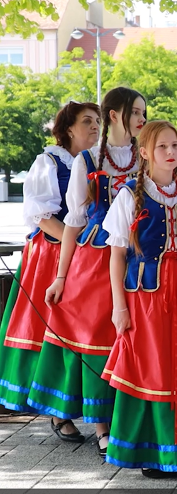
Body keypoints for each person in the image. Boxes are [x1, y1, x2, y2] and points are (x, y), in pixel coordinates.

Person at [30, 88, 145, 458]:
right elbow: (75, 222)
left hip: (140, 254)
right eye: (136, 112)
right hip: (95, 257)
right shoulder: (87, 160)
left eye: (145, 112)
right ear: (115, 115)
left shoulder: (148, 152)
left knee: (135, 336)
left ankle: (133, 417)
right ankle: (102, 426)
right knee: (97, 337)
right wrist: (61, 276)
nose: (142, 119)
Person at [102, 120, 177, 477]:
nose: (172, 153)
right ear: (146, 153)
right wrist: (119, 307)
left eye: (176, 146)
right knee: (152, 368)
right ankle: (151, 454)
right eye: (163, 147)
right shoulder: (127, 194)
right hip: (145, 295)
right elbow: (117, 255)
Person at [0, 101, 100, 444]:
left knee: (79, 332)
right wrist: (80, 243)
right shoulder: (49, 161)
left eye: (98, 121)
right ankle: (57, 412)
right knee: (51, 330)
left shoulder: (97, 162)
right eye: (87, 121)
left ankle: (73, 407)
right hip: (52, 254)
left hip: (85, 256)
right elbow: (42, 215)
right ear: (68, 128)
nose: (94, 127)